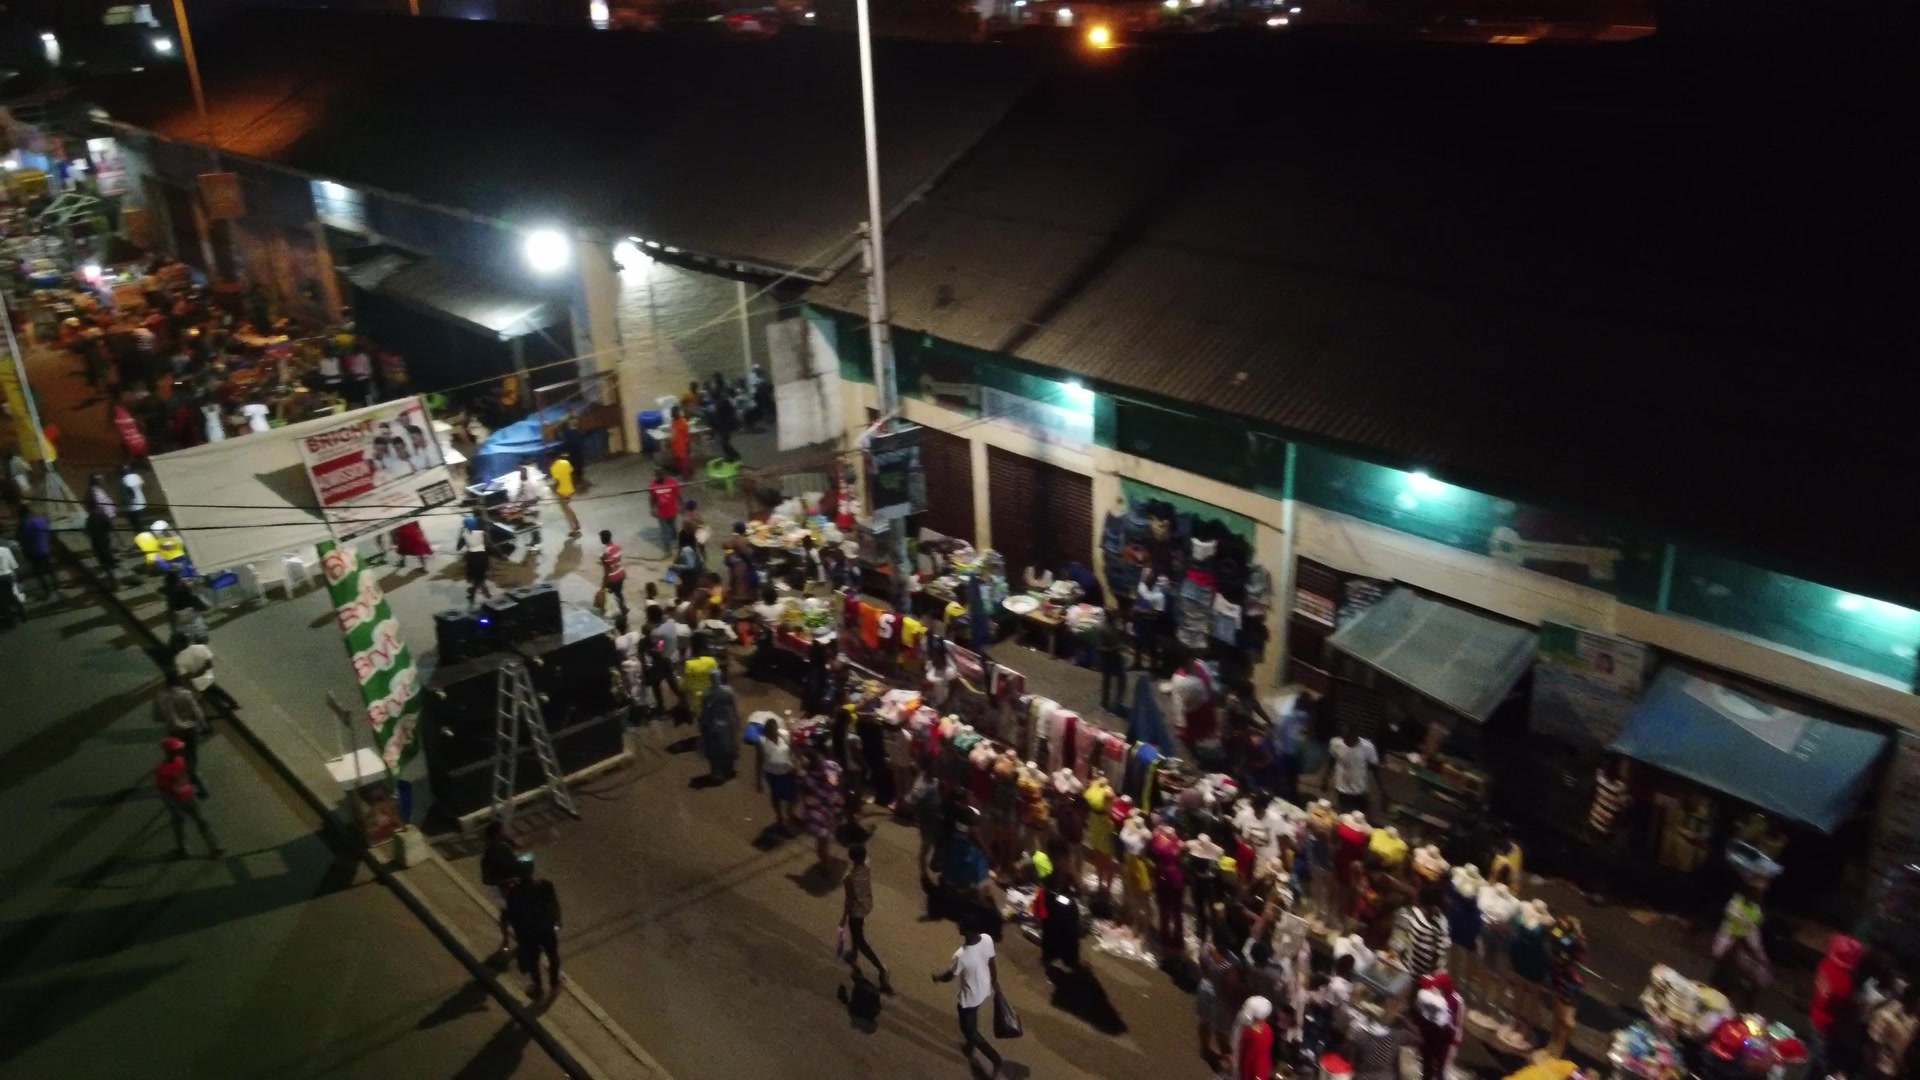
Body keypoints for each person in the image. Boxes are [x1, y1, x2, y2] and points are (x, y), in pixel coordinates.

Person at [934, 919, 1004, 1078]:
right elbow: (992, 963)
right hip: (983, 989)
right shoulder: (986, 939)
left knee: (969, 1030)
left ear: (966, 931)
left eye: (961, 925)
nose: (958, 926)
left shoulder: (962, 955)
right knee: (971, 1022)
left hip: (970, 997)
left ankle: (995, 1058)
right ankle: (969, 1047)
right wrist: (995, 983)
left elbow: (949, 976)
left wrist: (937, 978)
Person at [156, 736, 223, 859]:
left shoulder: (180, 760)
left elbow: (188, 775)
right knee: (180, 826)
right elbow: (164, 791)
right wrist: (173, 807)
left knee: (202, 822)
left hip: (189, 796)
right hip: (177, 801)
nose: (180, 750)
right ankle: (182, 849)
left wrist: (197, 788)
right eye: (177, 749)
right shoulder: (163, 771)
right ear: (169, 752)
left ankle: (214, 847)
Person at [505, 859, 563, 997]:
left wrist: (519, 935)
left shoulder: (514, 892)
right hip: (547, 928)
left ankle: (538, 988)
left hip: (529, 933)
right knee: (552, 955)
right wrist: (558, 921)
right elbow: (554, 905)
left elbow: (513, 916)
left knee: (533, 961)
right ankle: (554, 984)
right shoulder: (545, 886)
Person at [840, 842, 893, 992]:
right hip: (865, 906)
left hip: (855, 911)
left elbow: (849, 899)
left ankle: (881, 968)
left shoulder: (849, 878)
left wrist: (844, 916)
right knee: (857, 935)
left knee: (859, 939)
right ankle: (855, 960)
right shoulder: (866, 866)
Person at [479, 821, 523, 953]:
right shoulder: (488, 857)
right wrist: (505, 881)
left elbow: (516, 865)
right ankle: (506, 940)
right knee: (506, 915)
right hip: (502, 890)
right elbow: (487, 879)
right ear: (495, 836)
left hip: (515, 887)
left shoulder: (505, 847)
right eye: (500, 833)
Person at [757, 715, 799, 832]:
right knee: (776, 796)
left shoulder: (785, 736)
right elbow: (759, 761)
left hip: (788, 772)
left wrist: (799, 762)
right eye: (769, 731)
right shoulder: (761, 742)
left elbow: (795, 750)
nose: (772, 733)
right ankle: (780, 816)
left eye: (774, 730)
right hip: (772, 774)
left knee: (793, 796)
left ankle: (789, 813)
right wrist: (758, 780)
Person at [1326, 726, 1381, 814]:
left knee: (1359, 814)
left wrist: (1381, 790)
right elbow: (1331, 761)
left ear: (1357, 736)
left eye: (1350, 739)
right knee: (1343, 813)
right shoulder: (1335, 743)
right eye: (1345, 739)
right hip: (1341, 786)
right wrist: (1325, 779)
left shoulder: (1367, 747)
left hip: (1360, 788)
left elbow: (1374, 768)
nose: (1347, 742)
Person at [699, 680, 741, 782]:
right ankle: (728, 770)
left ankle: (717, 773)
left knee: (714, 750)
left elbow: (704, 710)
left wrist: (702, 724)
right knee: (728, 746)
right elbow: (734, 708)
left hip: (713, 724)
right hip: (726, 723)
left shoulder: (707, 693)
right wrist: (737, 720)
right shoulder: (728, 691)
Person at [1093, 610, 1129, 714]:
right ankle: (1104, 704)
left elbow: (1119, 640)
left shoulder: (1114, 627)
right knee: (1107, 682)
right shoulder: (1102, 629)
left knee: (1121, 680)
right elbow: (1099, 647)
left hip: (1115, 658)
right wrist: (1115, 648)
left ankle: (1117, 702)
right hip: (1106, 658)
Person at [17, 505, 56, 599]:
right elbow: (49, 532)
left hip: (34, 553)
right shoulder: (41, 520)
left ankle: (47, 591)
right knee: (49, 567)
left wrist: (25, 553)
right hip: (45, 549)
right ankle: (56, 584)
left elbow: (22, 540)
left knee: (39, 573)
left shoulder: (23, 525)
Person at [1131, 568, 1167, 672]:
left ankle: (1152, 669)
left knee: (1151, 646)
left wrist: (1141, 611)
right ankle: (1136, 663)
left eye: (1147, 576)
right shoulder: (1141, 588)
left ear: (1152, 578)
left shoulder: (1159, 594)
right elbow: (1136, 600)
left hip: (1150, 623)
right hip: (1139, 621)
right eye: (1143, 575)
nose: (1144, 578)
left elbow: (1158, 613)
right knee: (1137, 643)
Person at [457, 515, 493, 605]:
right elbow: (488, 545)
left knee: (478, 578)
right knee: (480, 577)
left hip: (472, 558)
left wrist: (461, 535)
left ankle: (486, 595)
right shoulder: (482, 533)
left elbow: (458, 547)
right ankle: (475, 592)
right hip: (482, 556)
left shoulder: (464, 534)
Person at [648, 469, 681, 557]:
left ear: (665, 474)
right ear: (656, 475)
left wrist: (682, 506)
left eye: (661, 474)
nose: (660, 477)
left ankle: (677, 544)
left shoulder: (672, 482)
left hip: (672, 511)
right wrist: (652, 508)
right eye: (658, 475)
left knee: (673, 528)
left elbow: (679, 495)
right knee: (665, 531)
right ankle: (667, 550)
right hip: (661, 513)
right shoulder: (653, 485)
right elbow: (652, 499)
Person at [550, 453, 581, 537]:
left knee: (566, 512)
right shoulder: (566, 462)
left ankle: (574, 530)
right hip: (570, 490)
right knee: (568, 508)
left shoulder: (553, 468)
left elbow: (557, 482)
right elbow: (572, 475)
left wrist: (553, 489)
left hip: (561, 492)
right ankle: (577, 523)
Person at [598, 530, 628, 615]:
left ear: (603, 539)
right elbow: (617, 561)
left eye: (601, 538)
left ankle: (614, 612)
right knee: (618, 593)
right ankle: (623, 608)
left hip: (612, 578)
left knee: (608, 596)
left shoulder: (606, 553)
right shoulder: (618, 548)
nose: (600, 540)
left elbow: (607, 571)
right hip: (621, 574)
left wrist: (603, 584)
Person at [85, 507, 117, 584]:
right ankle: (112, 564)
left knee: (103, 559)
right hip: (106, 539)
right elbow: (110, 527)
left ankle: (112, 578)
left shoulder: (90, 519)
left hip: (97, 542)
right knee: (108, 553)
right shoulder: (103, 516)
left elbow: (88, 532)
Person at [120, 464, 147, 533]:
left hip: (133, 505)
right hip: (142, 502)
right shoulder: (137, 476)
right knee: (142, 523)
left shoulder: (124, 479)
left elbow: (127, 492)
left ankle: (139, 537)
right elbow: (142, 486)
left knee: (136, 525)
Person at [669, 406, 692, 478]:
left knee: (681, 460)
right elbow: (684, 434)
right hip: (678, 444)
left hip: (678, 444)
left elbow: (686, 435)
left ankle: (683, 473)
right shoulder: (678, 422)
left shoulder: (678, 422)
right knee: (681, 460)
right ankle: (684, 473)